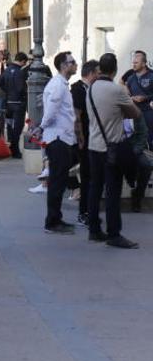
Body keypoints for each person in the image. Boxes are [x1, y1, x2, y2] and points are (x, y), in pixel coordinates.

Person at [86, 53, 142, 248]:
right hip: (112, 147)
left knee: (94, 188)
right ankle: (114, 234)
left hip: (94, 146)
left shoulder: (91, 87)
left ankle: (93, 229)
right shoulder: (116, 90)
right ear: (115, 69)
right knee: (112, 191)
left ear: (100, 68)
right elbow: (136, 113)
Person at [38, 51, 78, 235]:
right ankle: (52, 222)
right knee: (56, 181)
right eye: (72, 62)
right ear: (64, 65)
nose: (75, 64)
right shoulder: (58, 85)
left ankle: (56, 218)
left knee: (59, 180)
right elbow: (52, 109)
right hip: (58, 138)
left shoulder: (60, 84)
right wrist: (42, 127)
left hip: (62, 137)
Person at [71, 60, 99, 226]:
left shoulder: (89, 89)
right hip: (85, 140)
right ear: (91, 73)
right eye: (98, 72)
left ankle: (88, 210)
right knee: (87, 176)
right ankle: (84, 212)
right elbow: (77, 116)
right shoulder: (78, 90)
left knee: (90, 176)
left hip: (91, 138)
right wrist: (81, 138)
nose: (99, 76)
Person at [0, 52, 29, 158]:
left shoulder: (7, 70)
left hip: (8, 102)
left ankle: (10, 146)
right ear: (23, 61)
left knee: (10, 126)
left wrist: (7, 91)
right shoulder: (20, 72)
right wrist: (23, 95)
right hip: (18, 103)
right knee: (18, 126)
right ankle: (15, 149)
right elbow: (21, 88)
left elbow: (0, 82)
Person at [124, 50, 153, 148]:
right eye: (133, 62)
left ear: (144, 63)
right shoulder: (130, 78)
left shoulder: (151, 76)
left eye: (136, 62)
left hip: (149, 114)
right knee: (136, 141)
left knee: (149, 140)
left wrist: (145, 98)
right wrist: (130, 97)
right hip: (134, 115)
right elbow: (126, 93)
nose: (134, 64)